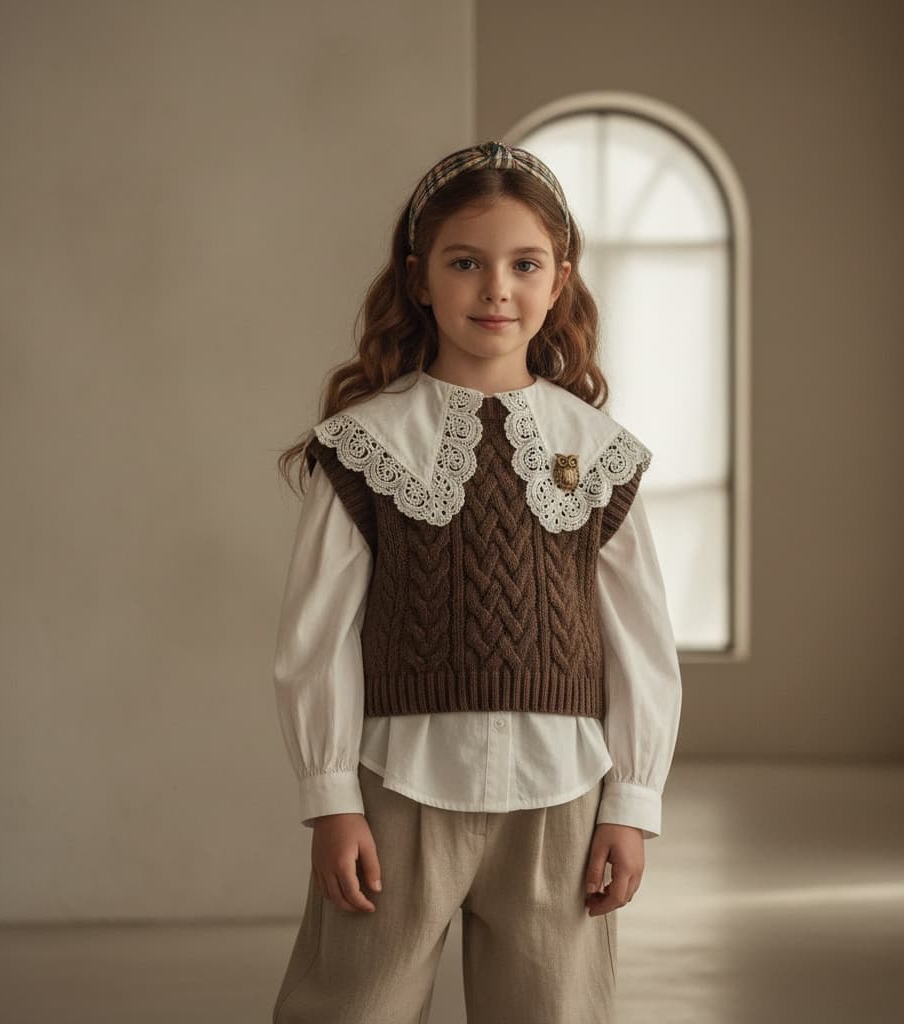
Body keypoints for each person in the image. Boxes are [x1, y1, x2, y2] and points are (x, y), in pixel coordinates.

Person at [269, 140, 682, 1024]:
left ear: (558, 280)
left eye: (524, 264)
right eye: (465, 263)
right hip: (397, 789)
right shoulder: (364, 445)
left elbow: (641, 646)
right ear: (419, 278)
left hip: (563, 798)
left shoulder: (600, 454)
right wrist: (331, 798)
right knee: (354, 1009)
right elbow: (317, 637)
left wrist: (632, 803)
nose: (496, 289)